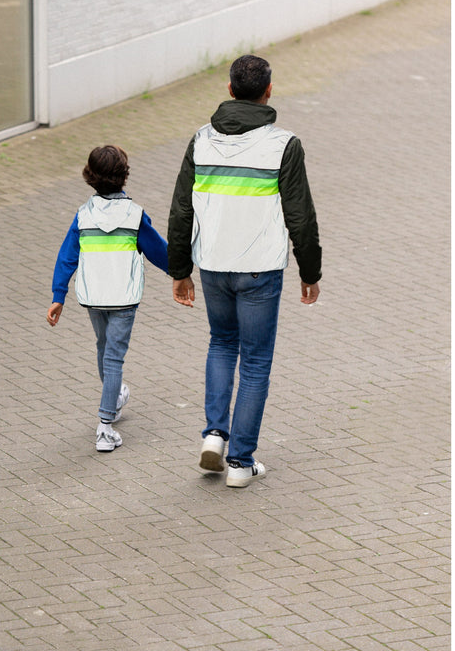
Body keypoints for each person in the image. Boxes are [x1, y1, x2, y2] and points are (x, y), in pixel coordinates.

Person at [168, 54, 322, 487]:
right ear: (268, 92)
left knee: (221, 345)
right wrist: (310, 274)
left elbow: (181, 209)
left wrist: (180, 269)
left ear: (231, 90)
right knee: (254, 362)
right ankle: (240, 462)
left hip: (213, 267)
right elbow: (301, 218)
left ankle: (214, 437)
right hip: (260, 271)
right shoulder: (283, 145)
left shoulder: (201, 140)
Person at [48, 145, 170, 452]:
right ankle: (105, 428)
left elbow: (66, 258)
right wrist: (180, 272)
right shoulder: (134, 215)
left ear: (89, 177)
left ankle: (114, 397)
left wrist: (58, 295)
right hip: (124, 298)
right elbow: (158, 251)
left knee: (104, 349)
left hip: (92, 296)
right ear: (124, 177)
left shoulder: (83, 216)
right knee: (114, 357)